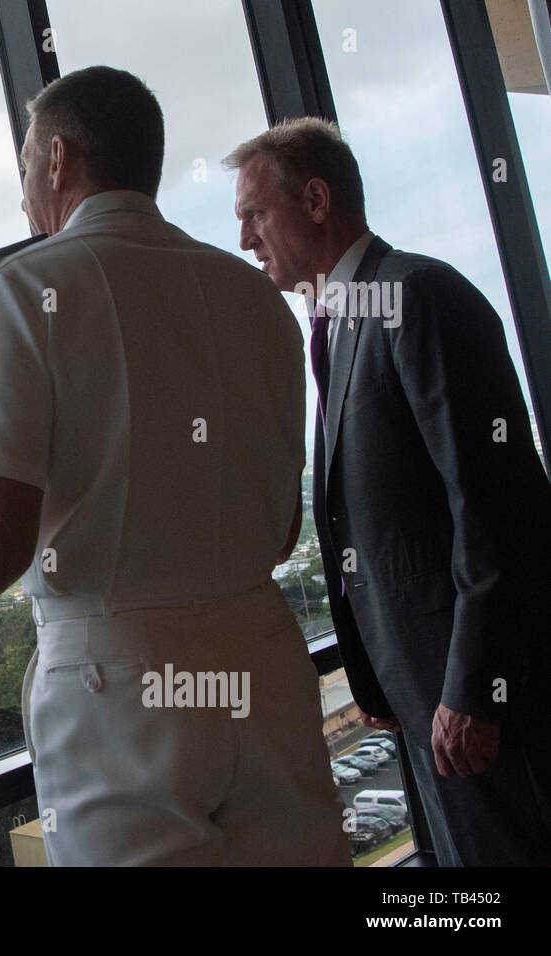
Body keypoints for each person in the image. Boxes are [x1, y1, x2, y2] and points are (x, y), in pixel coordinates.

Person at [0, 66, 348, 865]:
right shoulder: (257, 299)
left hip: (119, 688)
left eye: (26, 166)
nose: (23, 193)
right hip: (266, 666)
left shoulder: (19, 288)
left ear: (58, 160)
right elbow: (279, 535)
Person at [226, 116, 551, 865]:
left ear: (315, 200)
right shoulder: (342, 325)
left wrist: (473, 687)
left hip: (479, 705)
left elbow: (497, 505)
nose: (245, 240)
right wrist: (377, 679)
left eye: (254, 215)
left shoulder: (417, 295)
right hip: (420, 702)